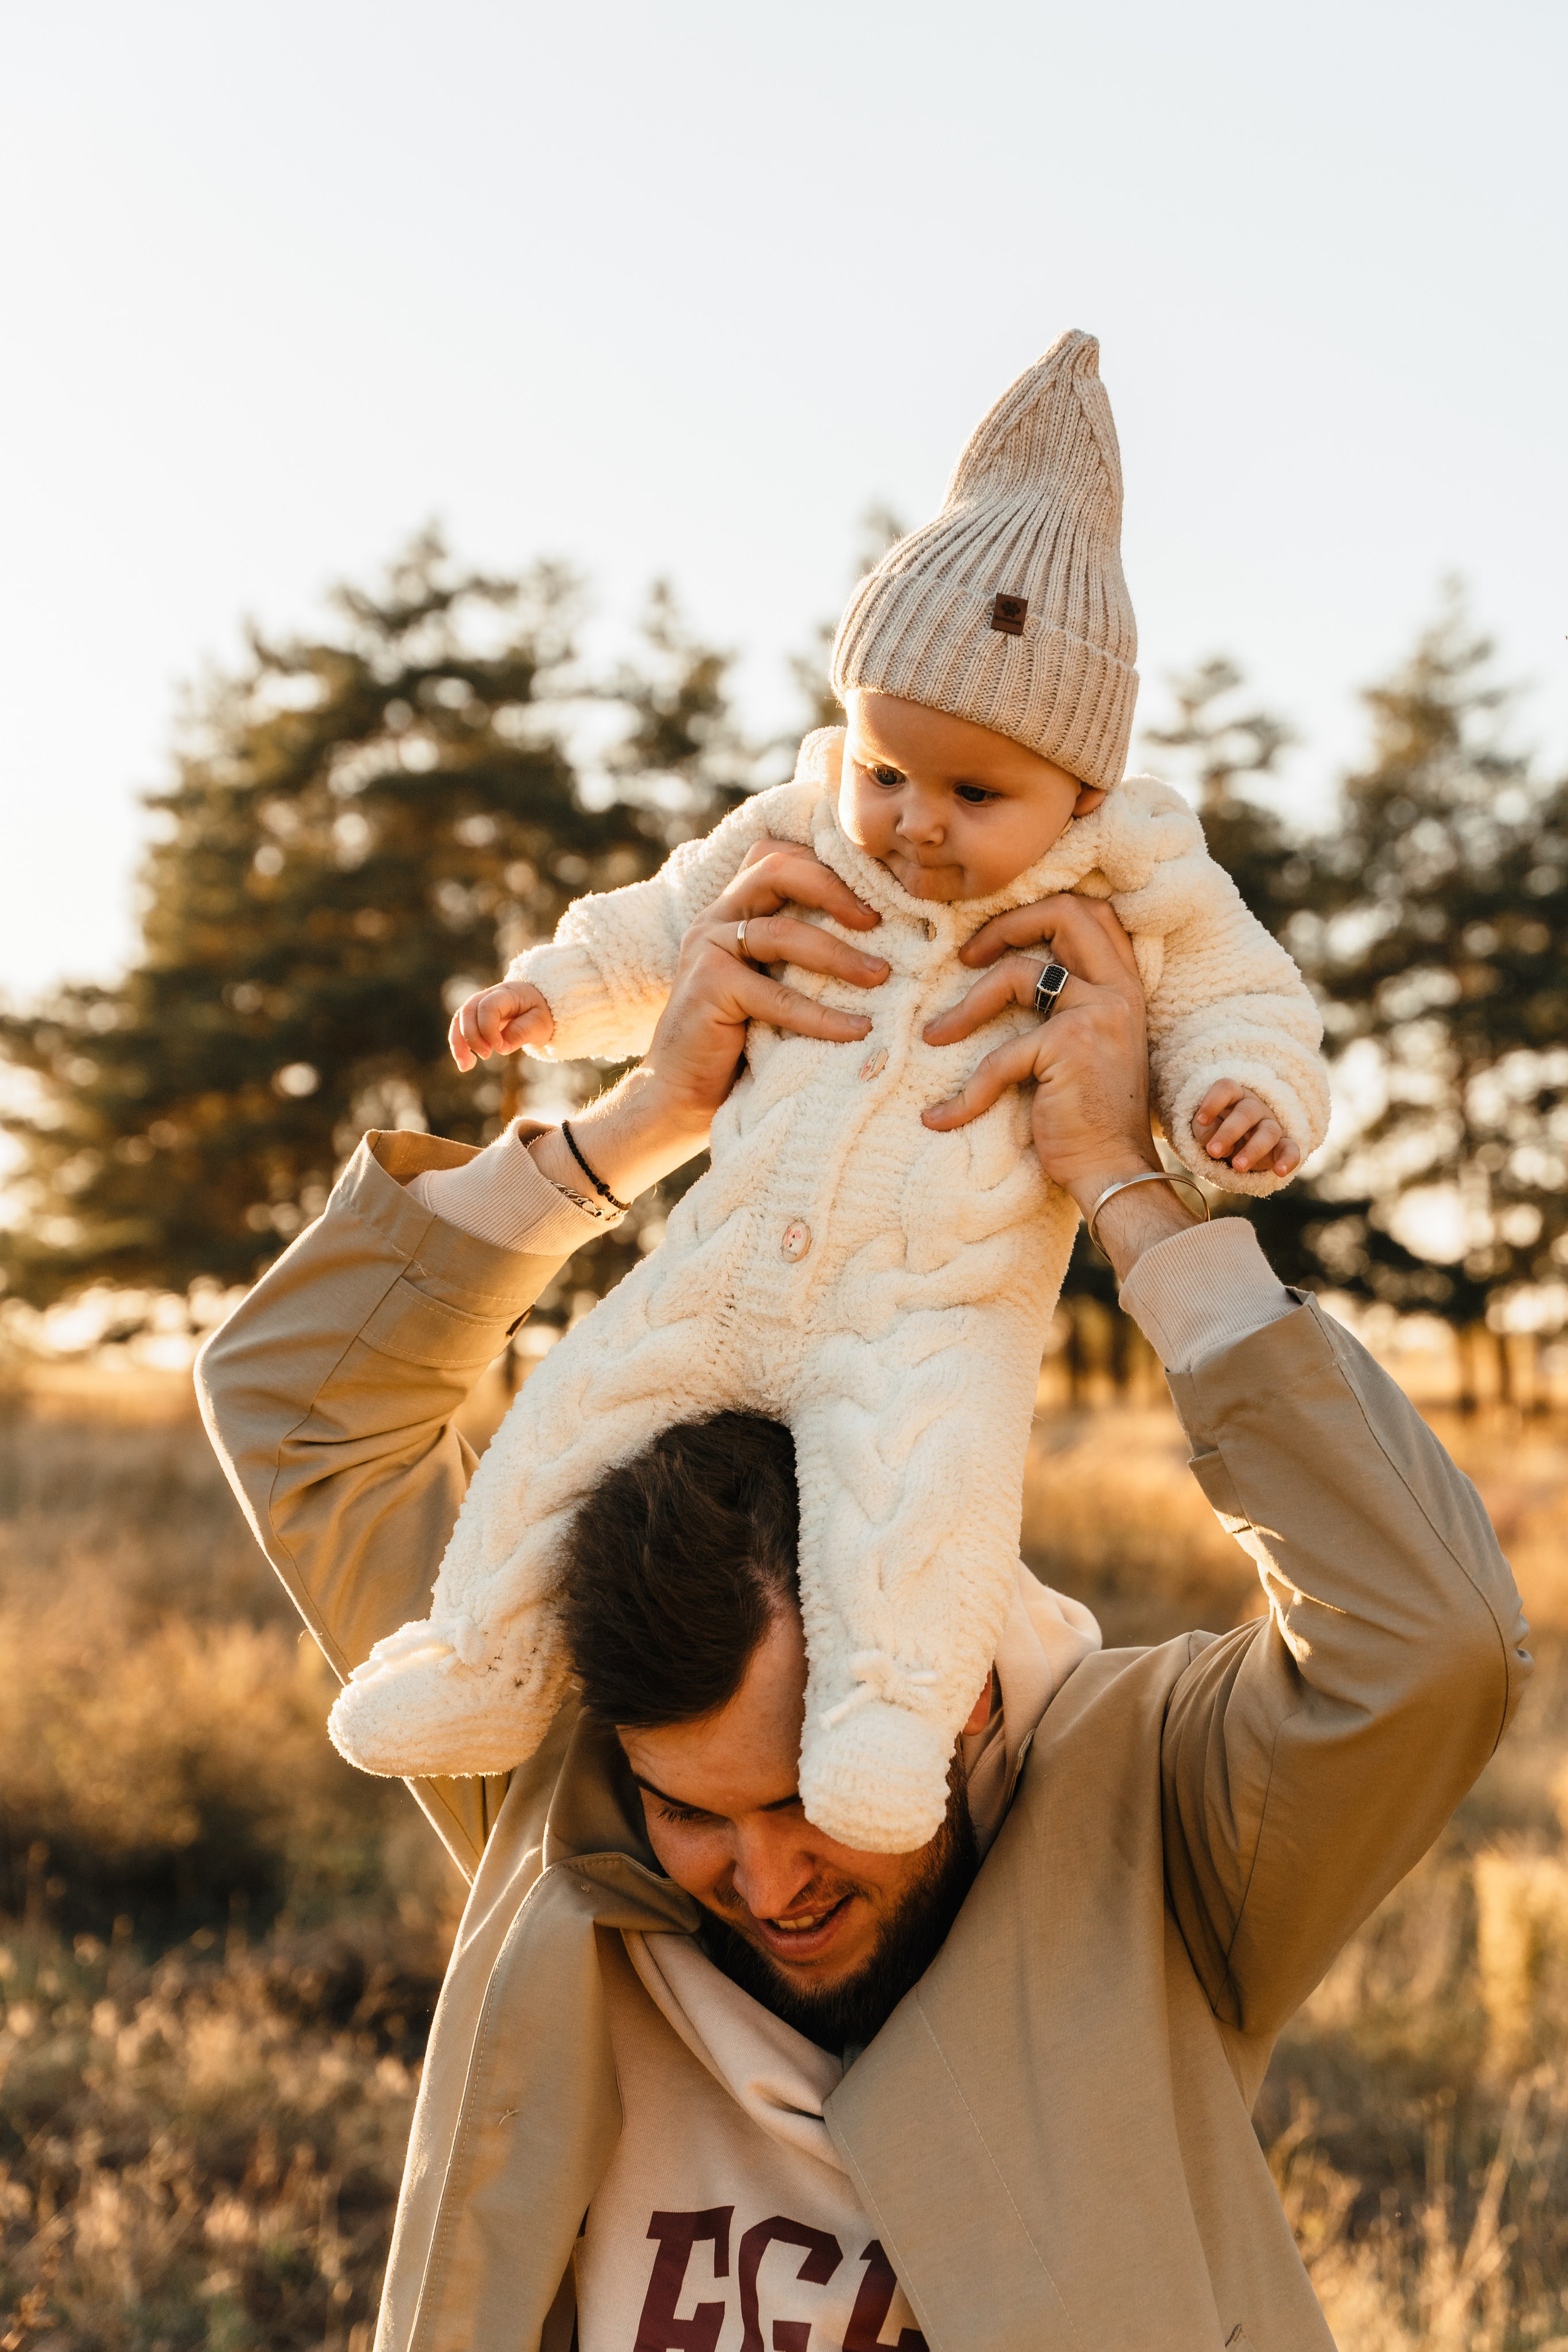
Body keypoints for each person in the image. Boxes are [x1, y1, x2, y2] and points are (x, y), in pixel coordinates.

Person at [198, 869, 1528, 2352]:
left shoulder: (1151, 1814)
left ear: (951, 1683)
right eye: (690, 1813)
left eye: (805, 1797)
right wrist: (639, 1122)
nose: (766, 1884)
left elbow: (1429, 1645)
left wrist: (1119, 1182)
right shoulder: (561, 1760)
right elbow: (292, 1403)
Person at [326, 332, 1330, 1852]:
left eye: (973, 794)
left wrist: (1235, 1101)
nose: (913, 824)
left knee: (920, 1505)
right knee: (569, 1417)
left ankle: (884, 1721)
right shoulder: (798, 831)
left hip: (931, 1309)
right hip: (724, 1256)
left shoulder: (1133, 888)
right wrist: (561, 992)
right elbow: (661, 923)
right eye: (885, 771)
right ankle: (481, 1657)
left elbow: (1241, 1004)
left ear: (1081, 790)